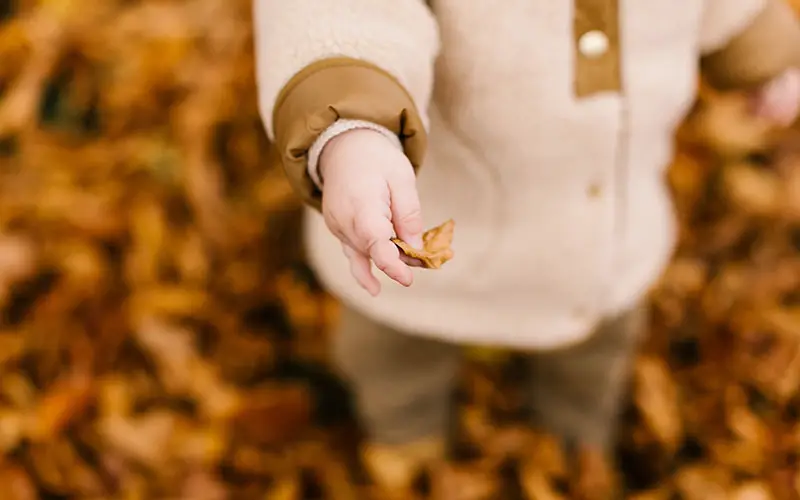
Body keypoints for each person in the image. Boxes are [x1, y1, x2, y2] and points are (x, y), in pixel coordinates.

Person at [254, 0, 800, 495]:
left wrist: (763, 50)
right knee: (393, 353)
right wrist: (351, 128)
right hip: (419, 223)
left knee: (592, 357)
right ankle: (405, 437)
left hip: (599, 230)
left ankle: (575, 450)